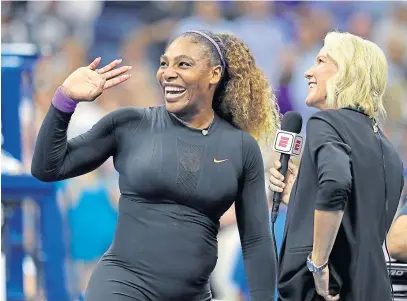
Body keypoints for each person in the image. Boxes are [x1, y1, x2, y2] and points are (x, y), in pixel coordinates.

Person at [31, 30, 280, 301]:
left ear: (214, 74)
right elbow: (47, 168)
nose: (168, 73)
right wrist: (65, 100)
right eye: (164, 63)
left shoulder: (241, 148)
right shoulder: (130, 124)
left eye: (183, 64)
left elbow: (256, 240)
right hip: (121, 287)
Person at [268, 31, 405, 301]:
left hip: (326, 292)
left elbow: (336, 184)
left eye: (320, 61)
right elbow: (357, 220)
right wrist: (299, 195)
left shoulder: (326, 122)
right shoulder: (388, 149)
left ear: (346, 73)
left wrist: (317, 265)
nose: (308, 71)